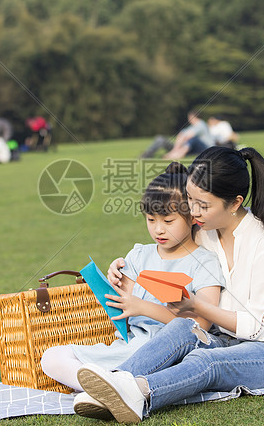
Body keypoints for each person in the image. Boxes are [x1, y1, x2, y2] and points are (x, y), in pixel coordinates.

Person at [75, 146, 264, 423]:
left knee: (205, 363)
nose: (192, 212)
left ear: (234, 203)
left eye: (202, 205)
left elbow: (256, 328)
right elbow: (162, 249)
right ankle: (113, 384)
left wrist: (196, 305)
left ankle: (139, 393)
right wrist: (122, 267)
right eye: (190, 200)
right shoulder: (206, 233)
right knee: (182, 325)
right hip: (224, 340)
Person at [40, 162, 224, 405]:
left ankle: (110, 387)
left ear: (192, 217)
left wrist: (142, 307)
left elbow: (200, 326)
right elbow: (122, 313)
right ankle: (107, 388)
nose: (158, 229)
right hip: (130, 345)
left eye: (168, 221)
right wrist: (113, 283)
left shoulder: (204, 262)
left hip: (171, 351)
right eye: (151, 219)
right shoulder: (138, 256)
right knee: (52, 357)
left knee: (166, 360)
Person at [140, 111, 216, 160]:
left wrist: (176, 149)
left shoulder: (201, 124)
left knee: (194, 139)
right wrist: (177, 147)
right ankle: (147, 154)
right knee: (160, 139)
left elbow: (188, 136)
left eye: (189, 117)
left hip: (205, 148)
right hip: (185, 148)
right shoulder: (192, 126)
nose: (189, 119)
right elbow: (181, 134)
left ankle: (176, 154)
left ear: (193, 117)